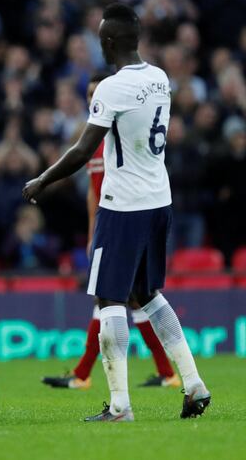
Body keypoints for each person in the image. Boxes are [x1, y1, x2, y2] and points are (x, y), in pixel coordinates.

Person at [23, 3, 211, 422]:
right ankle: (194, 383)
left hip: (123, 206)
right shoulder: (160, 78)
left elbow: (83, 150)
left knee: (110, 298)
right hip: (158, 200)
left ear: (108, 42)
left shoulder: (111, 87)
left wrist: (43, 180)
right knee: (147, 295)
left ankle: (121, 405)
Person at [42, 72, 179, 390]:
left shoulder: (124, 130)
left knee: (120, 300)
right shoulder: (91, 137)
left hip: (127, 222)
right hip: (108, 227)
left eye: (97, 92)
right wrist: (93, 233)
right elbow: (94, 190)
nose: (92, 98)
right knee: (129, 300)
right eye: (89, 93)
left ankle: (87, 375)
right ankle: (167, 372)